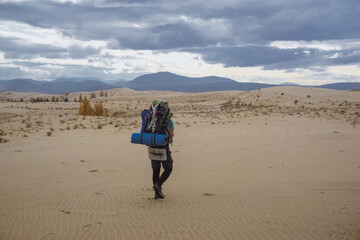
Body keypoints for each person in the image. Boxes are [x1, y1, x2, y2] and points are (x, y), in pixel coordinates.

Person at [144, 100, 174, 199]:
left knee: (155, 170)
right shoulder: (168, 120)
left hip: (152, 144)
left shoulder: (149, 118)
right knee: (168, 168)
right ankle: (158, 185)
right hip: (163, 146)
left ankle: (156, 194)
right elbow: (172, 134)